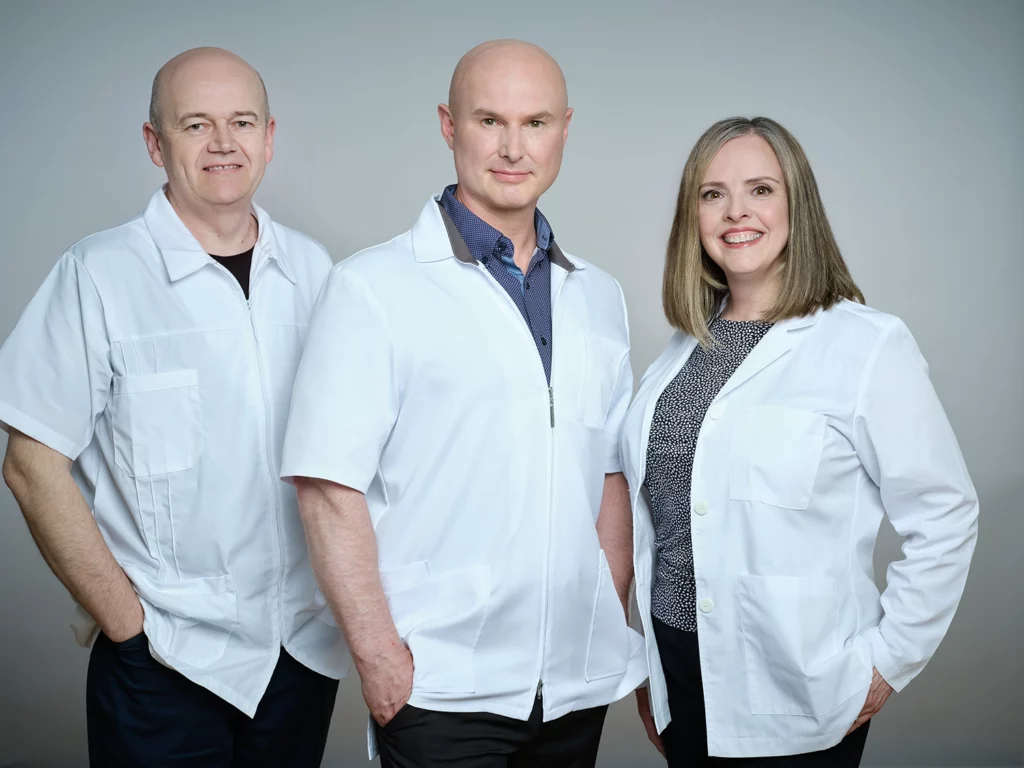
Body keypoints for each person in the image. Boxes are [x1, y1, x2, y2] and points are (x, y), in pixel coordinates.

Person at [281, 39, 647, 768]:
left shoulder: (598, 297)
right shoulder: (372, 288)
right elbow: (326, 488)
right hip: (439, 685)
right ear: (449, 125)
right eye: (490, 121)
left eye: (536, 123)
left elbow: (608, 470)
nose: (514, 147)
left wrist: (596, 604)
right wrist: (379, 655)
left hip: (572, 686)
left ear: (565, 129)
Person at [0, 47, 347, 766]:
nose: (223, 143)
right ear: (155, 143)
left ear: (269, 137)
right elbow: (31, 465)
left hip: (301, 654)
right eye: (195, 124)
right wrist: (127, 627)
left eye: (241, 122)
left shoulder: (315, 273)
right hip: (165, 660)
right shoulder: (98, 275)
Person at [620, 116, 979, 766]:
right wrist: (648, 667)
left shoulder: (866, 346)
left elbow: (946, 514)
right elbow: (660, 520)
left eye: (761, 189)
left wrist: (886, 663)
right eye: (712, 193)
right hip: (678, 668)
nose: (736, 212)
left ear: (797, 206)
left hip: (798, 681)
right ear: (692, 216)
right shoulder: (677, 356)